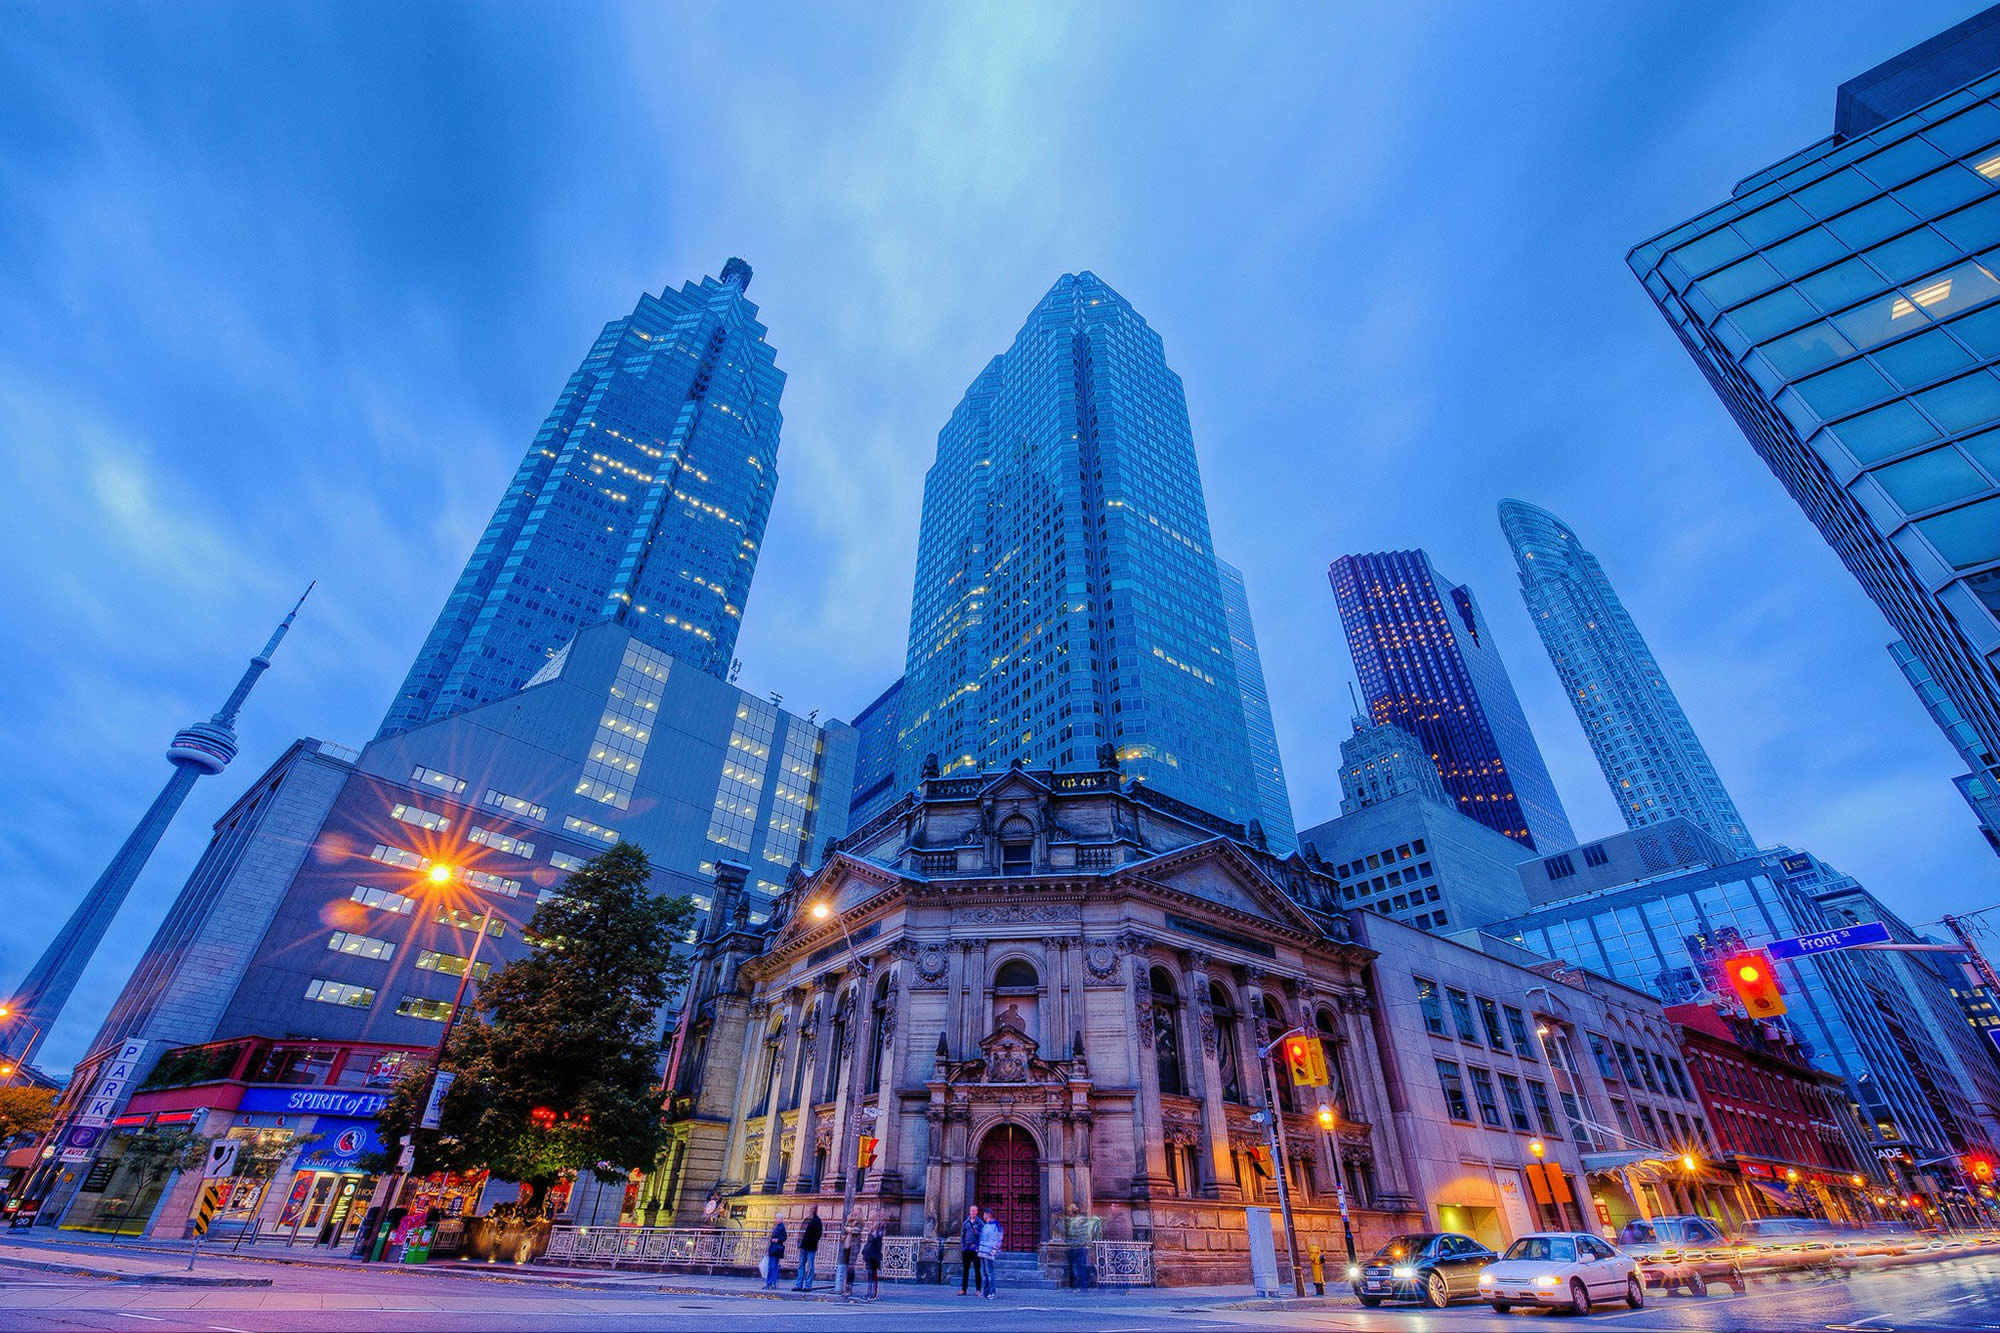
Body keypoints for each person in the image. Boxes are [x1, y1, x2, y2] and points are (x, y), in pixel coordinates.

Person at [1062, 1202, 1101, 1291]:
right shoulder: (1085, 1220)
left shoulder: (1074, 1221)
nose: (1068, 1213)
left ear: (1072, 1212)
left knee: (1078, 1267)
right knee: (1081, 1266)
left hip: (1075, 1246)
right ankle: (1082, 1285)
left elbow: (1071, 1232)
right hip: (1081, 1246)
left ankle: (1080, 1285)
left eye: (1069, 1211)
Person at [794, 1207, 823, 1291]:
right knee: (801, 1266)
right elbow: (801, 1232)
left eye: (812, 1209)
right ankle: (798, 1285)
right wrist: (799, 1242)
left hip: (811, 1246)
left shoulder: (817, 1221)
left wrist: (813, 1241)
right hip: (804, 1246)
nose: (810, 1211)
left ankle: (808, 1285)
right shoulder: (806, 1220)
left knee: (810, 1266)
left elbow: (819, 1234)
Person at [958, 1204, 983, 1295]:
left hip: (975, 1250)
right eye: (971, 1211)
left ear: (977, 1212)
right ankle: (963, 1289)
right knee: (965, 1270)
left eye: (974, 1211)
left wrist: (978, 1246)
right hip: (967, 1249)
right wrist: (963, 1246)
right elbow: (962, 1235)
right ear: (970, 1212)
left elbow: (982, 1235)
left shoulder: (980, 1223)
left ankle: (978, 1289)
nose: (973, 1213)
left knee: (977, 1270)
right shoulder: (966, 1222)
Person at [978, 1209, 1003, 1299]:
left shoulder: (995, 1225)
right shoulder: (986, 1225)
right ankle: (985, 1291)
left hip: (989, 1252)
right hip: (982, 1251)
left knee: (990, 1273)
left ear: (988, 1214)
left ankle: (992, 1292)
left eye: (984, 1214)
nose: (983, 1216)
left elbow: (998, 1239)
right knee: (984, 1273)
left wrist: (994, 1250)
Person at [861, 1222, 885, 1300]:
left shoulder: (878, 1233)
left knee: (873, 1275)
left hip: (874, 1256)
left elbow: (877, 1243)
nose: (871, 1225)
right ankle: (869, 1292)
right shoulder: (872, 1233)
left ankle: (873, 1293)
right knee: (870, 1275)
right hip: (869, 1255)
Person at [763, 1217, 787, 1290]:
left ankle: (771, 1283)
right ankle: (772, 1283)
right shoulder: (779, 1227)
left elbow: (784, 1237)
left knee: (772, 1267)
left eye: (778, 1218)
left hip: (775, 1250)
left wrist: (777, 1240)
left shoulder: (780, 1227)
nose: (776, 1220)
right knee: (773, 1267)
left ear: (780, 1219)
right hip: (775, 1250)